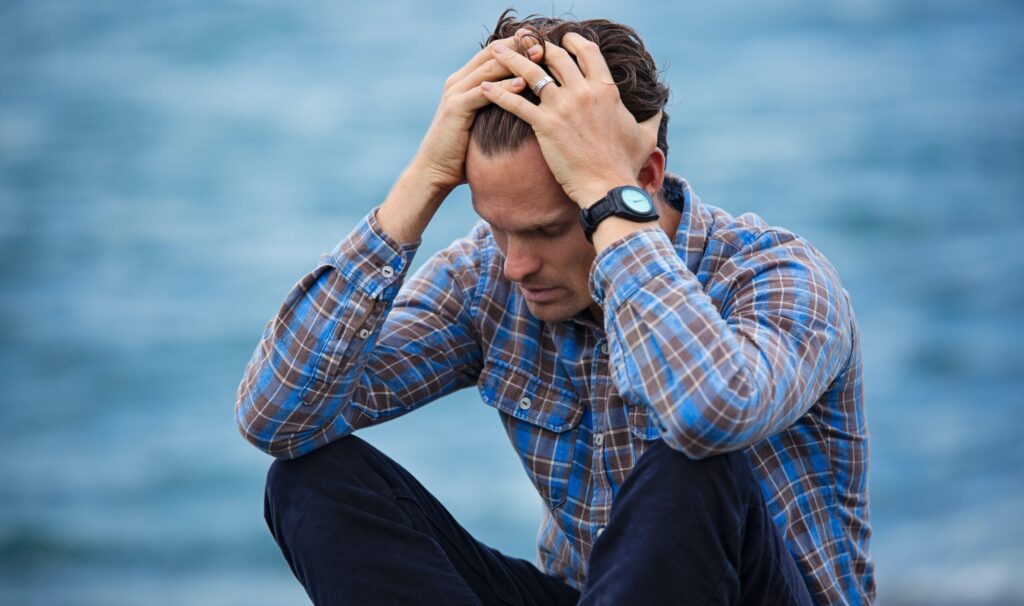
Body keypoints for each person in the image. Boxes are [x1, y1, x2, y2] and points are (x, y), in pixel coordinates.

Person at [235, 10, 874, 606]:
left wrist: (607, 197)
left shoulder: (777, 275)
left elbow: (706, 413)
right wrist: (422, 181)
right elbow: (276, 418)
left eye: (544, 231)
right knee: (309, 481)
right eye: (495, 227)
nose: (514, 264)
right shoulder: (488, 277)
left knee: (692, 467)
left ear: (642, 181)